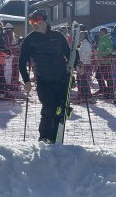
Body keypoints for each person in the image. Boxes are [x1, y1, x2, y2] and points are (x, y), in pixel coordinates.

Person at [19, 9, 81, 143]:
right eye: (31, 22)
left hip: (61, 79)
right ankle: (45, 137)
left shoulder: (57, 36)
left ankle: (56, 137)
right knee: (49, 108)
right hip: (43, 81)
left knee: (61, 109)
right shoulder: (30, 39)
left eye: (37, 21)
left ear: (45, 21)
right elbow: (21, 62)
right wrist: (26, 81)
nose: (34, 24)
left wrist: (77, 64)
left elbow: (69, 52)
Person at [95, 27, 114, 98]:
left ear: (104, 32)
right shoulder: (102, 39)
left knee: (107, 76)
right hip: (101, 61)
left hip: (106, 61)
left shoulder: (107, 39)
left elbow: (109, 49)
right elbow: (101, 49)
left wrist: (102, 55)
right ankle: (104, 89)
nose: (99, 34)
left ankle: (110, 92)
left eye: (100, 32)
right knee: (98, 75)